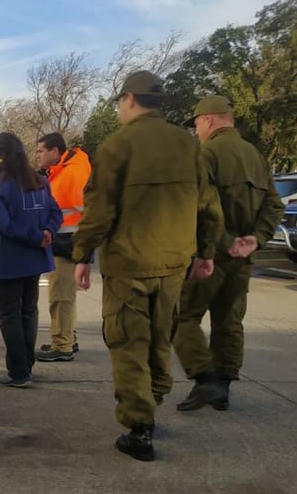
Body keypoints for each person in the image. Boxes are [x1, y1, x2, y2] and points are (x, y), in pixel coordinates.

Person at [71, 71, 224, 462]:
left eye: (120, 103)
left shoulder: (117, 146)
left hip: (129, 264)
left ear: (129, 99)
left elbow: (99, 210)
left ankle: (140, 427)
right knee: (161, 336)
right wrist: (205, 253)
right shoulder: (187, 145)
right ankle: (153, 400)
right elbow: (209, 205)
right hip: (175, 262)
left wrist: (82, 254)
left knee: (127, 342)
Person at [172, 95, 285, 412]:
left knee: (182, 316)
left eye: (195, 124)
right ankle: (221, 387)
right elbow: (275, 205)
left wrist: (221, 244)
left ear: (208, 120)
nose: (196, 131)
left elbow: (197, 207)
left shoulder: (207, 154)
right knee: (229, 321)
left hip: (211, 254)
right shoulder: (255, 156)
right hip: (244, 256)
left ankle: (205, 378)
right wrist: (255, 239)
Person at [0, 132, 62, 388]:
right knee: (28, 311)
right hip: (34, 258)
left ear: (1, 156)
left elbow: (2, 224)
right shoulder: (39, 181)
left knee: (10, 314)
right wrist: (46, 234)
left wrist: (35, 236)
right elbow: (55, 212)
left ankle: (18, 372)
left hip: (7, 259)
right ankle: (26, 366)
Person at [34, 133, 92, 362]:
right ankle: (68, 338)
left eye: (40, 151)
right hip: (67, 241)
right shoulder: (63, 171)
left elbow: (83, 212)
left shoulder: (72, 174)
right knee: (65, 295)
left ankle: (62, 345)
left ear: (55, 151)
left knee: (60, 296)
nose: (37, 155)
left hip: (68, 242)